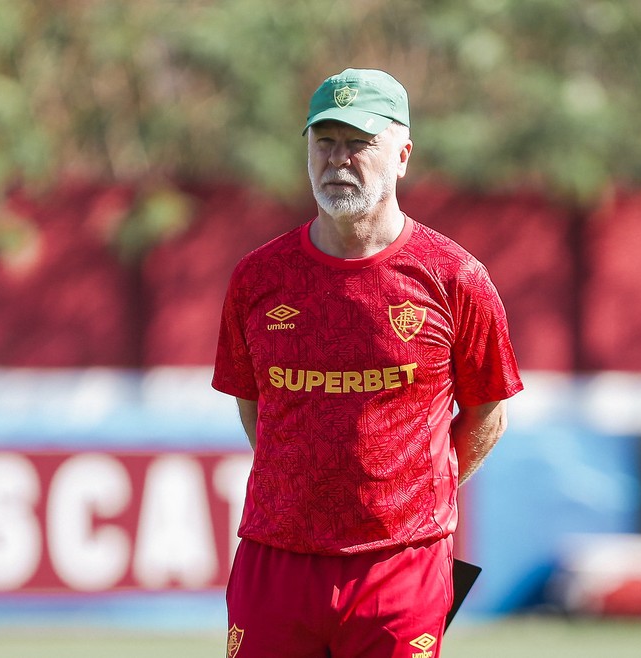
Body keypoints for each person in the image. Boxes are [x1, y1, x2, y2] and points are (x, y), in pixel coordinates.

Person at [212, 68, 523, 658]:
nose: (338, 160)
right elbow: (254, 403)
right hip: (275, 558)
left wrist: (414, 494)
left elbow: (488, 412)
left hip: (400, 563)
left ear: (402, 155)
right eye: (324, 142)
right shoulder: (258, 278)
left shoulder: (454, 276)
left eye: (359, 143)